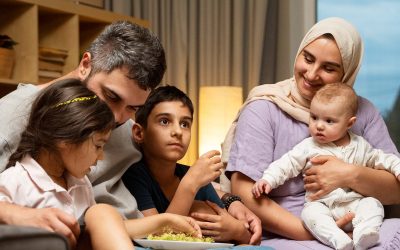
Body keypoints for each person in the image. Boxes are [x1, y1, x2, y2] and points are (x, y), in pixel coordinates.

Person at [0, 20, 260, 246]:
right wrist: (18, 215)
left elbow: (169, 171)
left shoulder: (129, 128)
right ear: (85, 64)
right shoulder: (17, 113)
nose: (116, 117)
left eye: (133, 108)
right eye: (111, 96)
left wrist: (231, 201)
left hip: (132, 234)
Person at [222, 17, 400, 249]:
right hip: (291, 233)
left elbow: (395, 189)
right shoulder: (265, 107)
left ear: (347, 72)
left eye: (329, 68)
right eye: (308, 58)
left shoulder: (362, 111)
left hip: (360, 225)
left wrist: (348, 174)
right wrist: (316, 233)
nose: (312, 74)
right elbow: (246, 192)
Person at [0, 79, 202, 250]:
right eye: (98, 146)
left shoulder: (81, 185)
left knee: (101, 212)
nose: (101, 157)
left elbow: (110, 227)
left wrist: (164, 221)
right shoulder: (16, 180)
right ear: (66, 140)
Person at [252, 83, 400, 250]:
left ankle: (365, 233)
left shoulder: (361, 145)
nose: (319, 126)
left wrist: (398, 168)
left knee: (373, 204)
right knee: (309, 215)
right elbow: (287, 163)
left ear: (349, 123)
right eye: (314, 117)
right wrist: (268, 180)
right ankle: (338, 239)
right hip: (322, 205)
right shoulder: (308, 146)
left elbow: (384, 159)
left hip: (355, 205)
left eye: (329, 121)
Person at [122, 85, 262, 245]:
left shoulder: (196, 177)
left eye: (184, 124)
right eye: (164, 121)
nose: (178, 131)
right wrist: (190, 184)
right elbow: (156, 237)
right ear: (139, 133)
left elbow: (247, 238)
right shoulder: (135, 175)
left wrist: (237, 230)